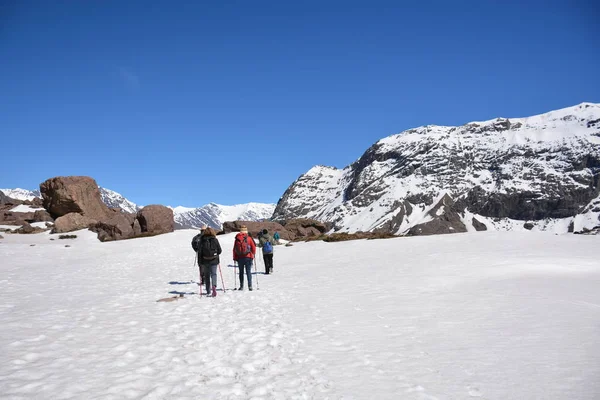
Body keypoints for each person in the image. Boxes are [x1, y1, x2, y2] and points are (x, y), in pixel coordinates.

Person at [198, 227, 222, 296]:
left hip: (205, 260)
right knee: (214, 274)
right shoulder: (215, 240)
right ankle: (214, 286)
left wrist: (200, 262)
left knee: (207, 275)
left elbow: (200, 252)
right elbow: (220, 250)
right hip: (214, 260)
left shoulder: (202, 240)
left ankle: (208, 290)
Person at [232, 225, 256, 290]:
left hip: (240, 257)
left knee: (241, 272)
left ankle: (241, 286)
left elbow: (234, 249)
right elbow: (253, 248)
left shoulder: (237, 238)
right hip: (248, 256)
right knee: (248, 271)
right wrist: (253, 254)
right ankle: (250, 286)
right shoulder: (249, 238)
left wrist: (234, 257)